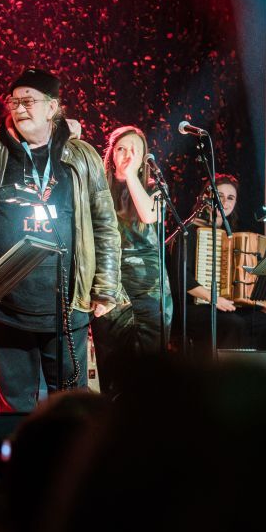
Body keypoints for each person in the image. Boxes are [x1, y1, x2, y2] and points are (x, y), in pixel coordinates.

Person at [0, 69, 122, 412]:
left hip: (66, 306)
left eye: (29, 101)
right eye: (14, 101)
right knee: (12, 409)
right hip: (7, 305)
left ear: (53, 107)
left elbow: (105, 223)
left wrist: (106, 286)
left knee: (72, 410)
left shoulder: (82, 155)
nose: (20, 108)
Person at [90, 126, 173, 394]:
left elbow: (149, 216)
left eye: (134, 150)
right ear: (111, 153)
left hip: (149, 282)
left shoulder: (155, 187)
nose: (126, 155)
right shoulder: (98, 186)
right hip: (110, 278)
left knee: (149, 367)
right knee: (113, 361)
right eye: (121, 149)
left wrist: (132, 176)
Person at [175, 173, 266, 356]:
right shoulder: (189, 231)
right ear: (206, 197)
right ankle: (230, 379)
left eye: (230, 198)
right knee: (234, 324)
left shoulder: (233, 237)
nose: (224, 202)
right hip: (195, 307)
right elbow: (181, 277)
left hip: (228, 305)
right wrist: (214, 298)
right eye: (219, 196)